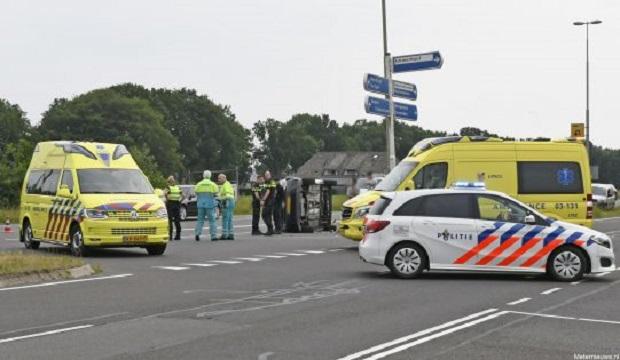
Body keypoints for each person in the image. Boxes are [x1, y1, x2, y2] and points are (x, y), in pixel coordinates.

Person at [194, 170, 219, 241]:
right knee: (212, 220)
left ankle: (197, 234)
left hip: (200, 204)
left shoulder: (198, 184)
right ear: (210, 176)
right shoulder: (213, 184)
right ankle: (213, 236)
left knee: (200, 220)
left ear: (203, 176)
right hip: (210, 205)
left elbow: (195, 192)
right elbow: (216, 193)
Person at [164, 176, 183, 241]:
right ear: (174, 181)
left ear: (169, 182)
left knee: (170, 220)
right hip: (177, 204)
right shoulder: (178, 187)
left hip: (170, 203)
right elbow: (183, 196)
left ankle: (170, 236)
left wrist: (167, 199)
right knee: (177, 220)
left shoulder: (168, 187)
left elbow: (165, 194)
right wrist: (179, 201)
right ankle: (178, 235)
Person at [217, 173, 236, 240]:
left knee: (225, 219)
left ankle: (224, 235)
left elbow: (227, 195)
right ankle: (231, 234)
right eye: (218, 178)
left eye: (220, 178)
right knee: (230, 219)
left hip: (226, 202)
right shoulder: (228, 184)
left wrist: (221, 199)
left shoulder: (225, 185)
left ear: (224, 178)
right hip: (231, 202)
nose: (218, 179)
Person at [261, 170, 277, 236]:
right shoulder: (272, 181)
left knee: (264, 215)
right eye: (265, 175)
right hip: (272, 200)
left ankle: (270, 229)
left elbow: (268, 191)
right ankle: (270, 230)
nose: (266, 176)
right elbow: (274, 191)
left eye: (267, 175)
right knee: (269, 215)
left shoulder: (269, 181)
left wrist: (263, 200)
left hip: (269, 201)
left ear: (270, 175)